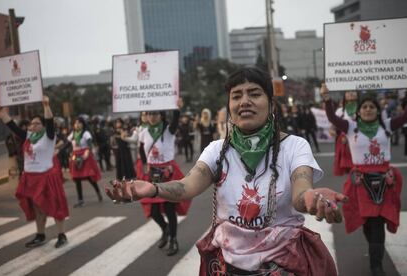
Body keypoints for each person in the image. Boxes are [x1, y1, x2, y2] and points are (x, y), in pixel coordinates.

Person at [106, 68, 346, 275]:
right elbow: (187, 186)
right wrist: (153, 188)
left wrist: (311, 197)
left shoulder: (295, 146)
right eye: (236, 96)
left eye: (254, 94)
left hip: (283, 263)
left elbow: (301, 190)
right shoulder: (216, 150)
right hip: (226, 266)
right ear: (230, 106)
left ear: (272, 104)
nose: (244, 102)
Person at [321, 84, 407, 276]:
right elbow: (332, 118)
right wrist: (327, 99)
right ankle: (375, 251)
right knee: (368, 223)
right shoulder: (351, 127)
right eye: (364, 107)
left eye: (372, 106)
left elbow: (405, 116)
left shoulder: (387, 125)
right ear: (358, 111)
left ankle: (376, 266)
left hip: (385, 182)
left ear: (378, 110)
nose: (368, 109)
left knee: (378, 222)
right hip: (360, 183)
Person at [0, 97, 69, 248]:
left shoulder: (49, 137)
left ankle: (61, 235)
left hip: (46, 177)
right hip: (30, 178)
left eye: (37, 123)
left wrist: (46, 105)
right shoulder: (28, 137)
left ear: (43, 126)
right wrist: (2, 113)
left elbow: (49, 122)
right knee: (37, 208)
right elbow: (12, 126)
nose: (33, 126)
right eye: (32, 123)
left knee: (54, 206)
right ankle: (40, 235)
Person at [131, 101, 191, 256]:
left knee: (170, 208)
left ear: (161, 114)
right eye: (149, 113)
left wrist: (177, 109)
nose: (151, 116)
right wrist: (145, 164)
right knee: (154, 210)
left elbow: (175, 122)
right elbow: (142, 149)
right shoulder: (144, 131)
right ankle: (164, 228)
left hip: (168, 172)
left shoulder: (168, 129)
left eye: (155, 113)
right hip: (151, 173)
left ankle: (173, 239)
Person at [68, 117, 103, 207]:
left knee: (89, 177)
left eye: (79, 123)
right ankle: (80, 200)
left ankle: (98, 192)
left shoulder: (86, 133)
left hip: (85, 155)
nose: (77, 125)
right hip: (75, 156)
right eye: (75, 123)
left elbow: (90, 144)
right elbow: (67, 144)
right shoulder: (72, 134)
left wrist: (87, 151)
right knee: (77, 178)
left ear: (83, 124)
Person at [331, 91, 358, 176]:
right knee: (348, 167)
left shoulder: (362, 108)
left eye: (353, 91)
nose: (351, 93)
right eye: (348, 92)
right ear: (344, 96)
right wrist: (332, 131)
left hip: (358, 138)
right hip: (344, 140)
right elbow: (333, 126)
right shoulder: (340, 111)